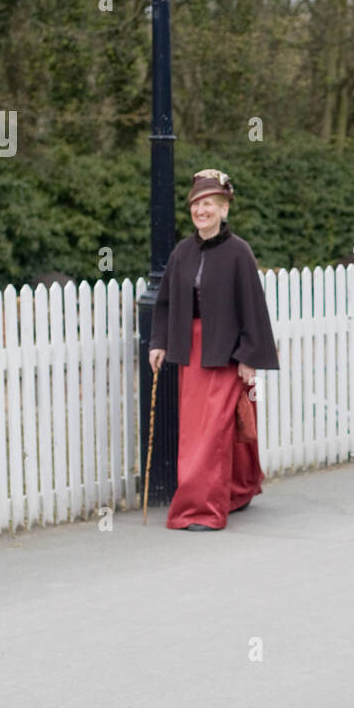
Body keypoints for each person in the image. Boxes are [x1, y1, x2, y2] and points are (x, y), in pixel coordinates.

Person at [149, 168, 279, 531]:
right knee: (201, 430)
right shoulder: (181, 252)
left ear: (224, 210)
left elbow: (253, 307)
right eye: (196, 204)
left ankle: (200, 509)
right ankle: (238, 489)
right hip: (190, 355)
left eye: (209, 204)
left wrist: (249, 358)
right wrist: (159, 343)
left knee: (214, 430)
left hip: (228, 354)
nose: (201, 210)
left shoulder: (239, 252)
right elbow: (164, 303)